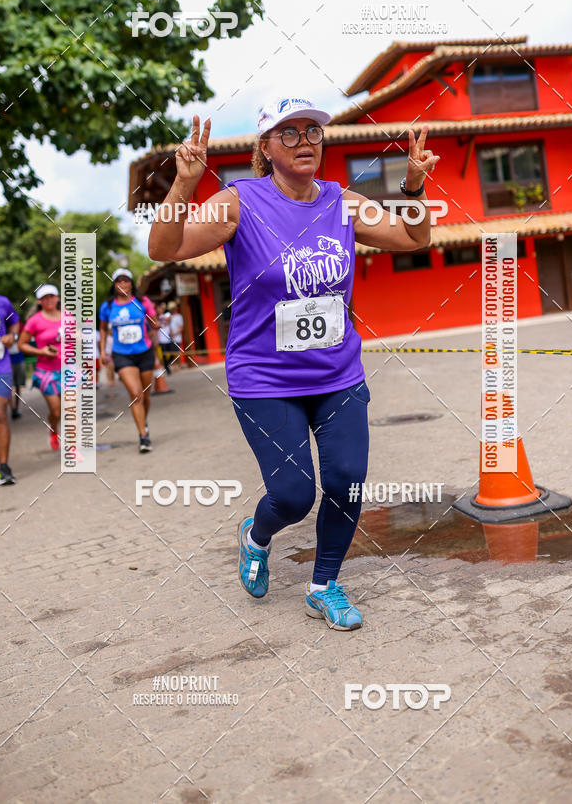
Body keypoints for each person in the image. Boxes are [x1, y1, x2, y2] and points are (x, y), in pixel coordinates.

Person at [148, 100, 439, 630]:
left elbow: (415, 238)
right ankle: (256, 535)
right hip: (265, 379)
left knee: (349, 480)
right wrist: (184, 185)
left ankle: (324, 585)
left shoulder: (342, 202)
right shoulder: (238, 203)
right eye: (289, 133)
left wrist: (415, 190)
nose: (305, 140)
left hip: (337, 375)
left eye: (312, 131)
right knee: (293, 494)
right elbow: (164, 248)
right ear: (265, 147)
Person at [99, 268, 158, 453]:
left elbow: (153, 324)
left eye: (126, 281)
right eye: (119, 281)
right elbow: (102, 329)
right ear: (114, 284)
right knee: (136, 394)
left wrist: (155, 326)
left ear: (131, 283)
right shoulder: (107, 307)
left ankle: (143, 422)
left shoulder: (142, 302)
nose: (123, 284)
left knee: (146, 396)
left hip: (144, 352)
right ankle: (143, 436)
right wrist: (102, 351)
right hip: (122, 355)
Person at [18, 284, 63, 452]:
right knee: (56, 412)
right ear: (39, 301)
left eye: (51, 296)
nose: (49, 300)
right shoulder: (34, 321)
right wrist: (41, 351)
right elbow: (21, 344)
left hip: (68, 369)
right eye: (45, 298)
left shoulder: (67, 316)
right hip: (46, 372)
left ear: (57, 298)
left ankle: (73, 446)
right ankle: (53, 430)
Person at [0, 292, 20, 484]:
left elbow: (14, 322)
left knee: (0, 413)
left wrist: (12, 335)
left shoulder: (1, 302)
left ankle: (4, 467)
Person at [8, 338, 26, 419]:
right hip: (8, 360)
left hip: (19, 359)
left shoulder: (21, 329)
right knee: (8, 386)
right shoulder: (3, 328)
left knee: (18, 385)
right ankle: (13, 409)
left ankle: (17, 408)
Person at [156, 302, 174, 374]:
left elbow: (168, 320)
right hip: (161, 338)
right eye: (158, 309)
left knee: (172, 352)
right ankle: (167, 369)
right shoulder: (156, 317)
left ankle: (167, 364)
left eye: (160, 309)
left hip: (168, 338)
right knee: (164, 354)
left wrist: (161, 318)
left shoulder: (167, 315)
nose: (159, 310)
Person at [168, 301, 185, 369]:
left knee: (177, 352)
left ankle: (179, 365)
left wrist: (174, 334)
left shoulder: (179, 316)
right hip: (169, 338)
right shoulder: (169, 317)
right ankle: (175, 365)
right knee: (172, 352)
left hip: (177, 337)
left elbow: (181, 328)